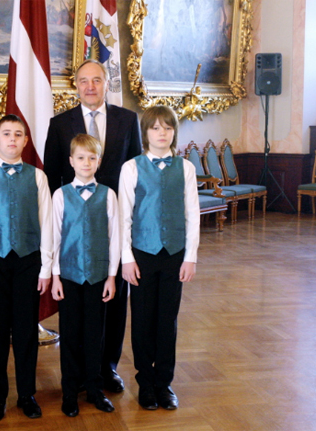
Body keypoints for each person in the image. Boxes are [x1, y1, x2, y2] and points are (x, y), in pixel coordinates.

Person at [44, 59, 142, 393]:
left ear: (106, 84)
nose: (90, 86)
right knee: (77, 308)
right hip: (74, 228)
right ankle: (77, 375)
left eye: (96, 80)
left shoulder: (127, 120)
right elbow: (53, 177)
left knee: (113, 301)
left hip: (116, 223)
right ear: (76, 85)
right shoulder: (60, 124)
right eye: (83, 80)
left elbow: (136, 172)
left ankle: (106, 369)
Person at [0, 114, 53, 422]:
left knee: (26, 329)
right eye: (6, 133)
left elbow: (47, 224)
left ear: (26, 141)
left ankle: (27, 394)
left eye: (18, 134)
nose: (12, 139)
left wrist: (46, 267)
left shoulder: (38, 177)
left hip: (29, 261)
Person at [118, 105, 200, 411]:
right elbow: (124, 216)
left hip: (174, 254)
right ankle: (145, 382)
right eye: (155, 128)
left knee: (168, 320)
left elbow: (193, 214)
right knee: (142, 319)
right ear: (146, 133)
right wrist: (127, 258)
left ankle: (164, 383)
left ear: (174, 132)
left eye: (167, 127)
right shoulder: (132, 168)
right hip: (142, 253)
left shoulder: (186, 168)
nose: (162, 133)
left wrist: (190, 257)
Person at [51, 134, 119, 417]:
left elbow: (114, 238)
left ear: (98, 161)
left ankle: (94, 388)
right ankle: (69, 392)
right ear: (71, 161)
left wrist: (112, 276)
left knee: (95, 335)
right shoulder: (60, 195)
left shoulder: (108, 195)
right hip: (68, 275)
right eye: (81, 158)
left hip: (98, 276)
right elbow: (54, 237)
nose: (86, 163)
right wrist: (55, 276)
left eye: (92, 158)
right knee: (69, 335)